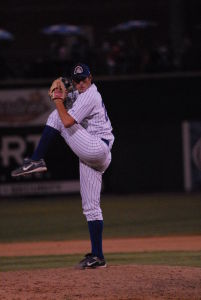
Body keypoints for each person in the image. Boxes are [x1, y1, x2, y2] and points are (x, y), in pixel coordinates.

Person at [11, 63, 115, 269]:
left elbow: (67, 121)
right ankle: (98, 257)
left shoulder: (91, 94)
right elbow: (70, 100)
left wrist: (58, 99)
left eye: (83, 79)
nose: (80, 84)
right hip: (92, 153)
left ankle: (36, 159)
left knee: (56, 117)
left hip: (97, 147)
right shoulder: (79, 92)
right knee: (91, 208)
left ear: (90, 78)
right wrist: (65, 90)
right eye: (76, 81)